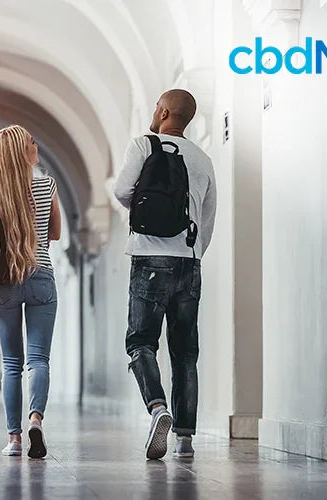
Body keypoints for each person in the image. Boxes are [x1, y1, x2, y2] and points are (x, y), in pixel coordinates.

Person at [107, 89, 217, 460]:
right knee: (185, 352)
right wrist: (191, 253)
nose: (154, 111)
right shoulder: (203, 158)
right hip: (189, 261)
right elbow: (207, 220)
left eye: (157, 106)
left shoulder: (144, 145)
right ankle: (185, 440)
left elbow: (122, 190)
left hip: (149, 257)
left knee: (141, 342)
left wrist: (145, 211)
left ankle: (158, 409)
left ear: (165, 111)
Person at [0, 125, 61, 459]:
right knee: (38, 360)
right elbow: (55, 234)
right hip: (41, 275)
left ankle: (14, 439)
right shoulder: (47, 184)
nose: (37, 143)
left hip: (5, 281)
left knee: (11, 364)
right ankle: (36, 420)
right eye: (32, 141)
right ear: (22, 152)